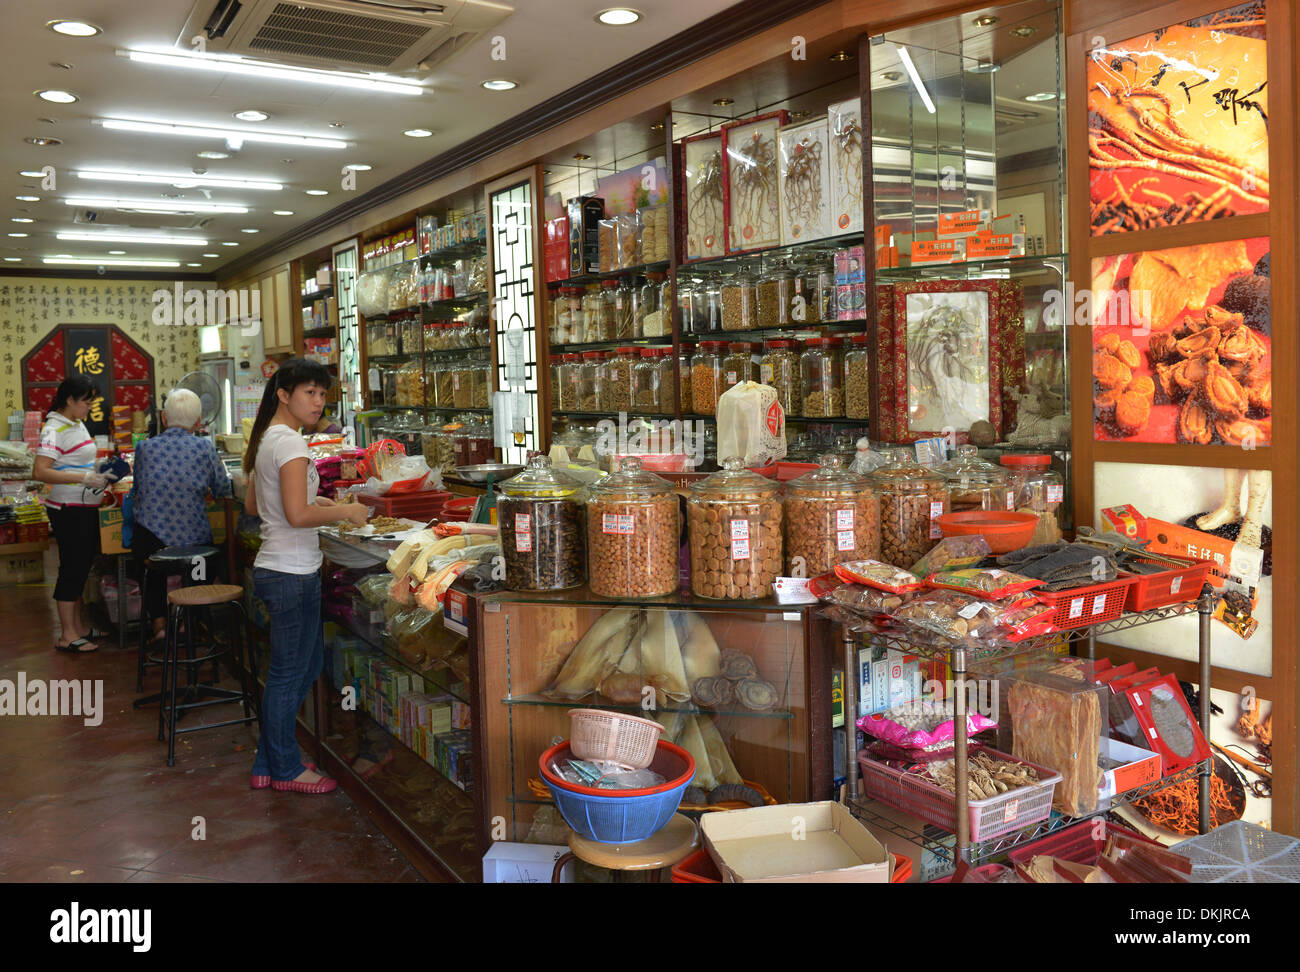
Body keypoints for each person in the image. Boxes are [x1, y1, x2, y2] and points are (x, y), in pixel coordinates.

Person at [242, 359, 367, 794]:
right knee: (289, 671)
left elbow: (256, 507)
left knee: (304, 664)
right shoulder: (291, 445)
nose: (319, 401)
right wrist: (346, 510)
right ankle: (286, 769)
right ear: (283, 394)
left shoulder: (269, 438)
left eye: (322, 393)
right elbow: (296, 514)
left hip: (281, 567)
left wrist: (323, 505)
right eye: (310, 393)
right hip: (291, 571)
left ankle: (268, 759)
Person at [132, 388, 232, 642]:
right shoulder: (204, 448)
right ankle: (189, 618)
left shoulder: (144, 448)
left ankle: (159, 624)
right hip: (194, 545)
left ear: (164, 418)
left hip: (153, 545)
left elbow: (138, 491)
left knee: (153, 569)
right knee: (201, 568)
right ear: (199, 423)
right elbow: (222, 488)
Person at [32, 376, 108, 653]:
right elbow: (40, 471)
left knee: (80, 566)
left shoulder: (74, 422)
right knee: (72, 568)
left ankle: (78, 629)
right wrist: (84, 477)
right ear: (70, 400)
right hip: (68, 509)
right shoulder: (53, 428)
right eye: (86, 401)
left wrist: (97, 469)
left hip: (83, 505)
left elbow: (74, 460)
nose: (90, 406)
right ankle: (67, 635)